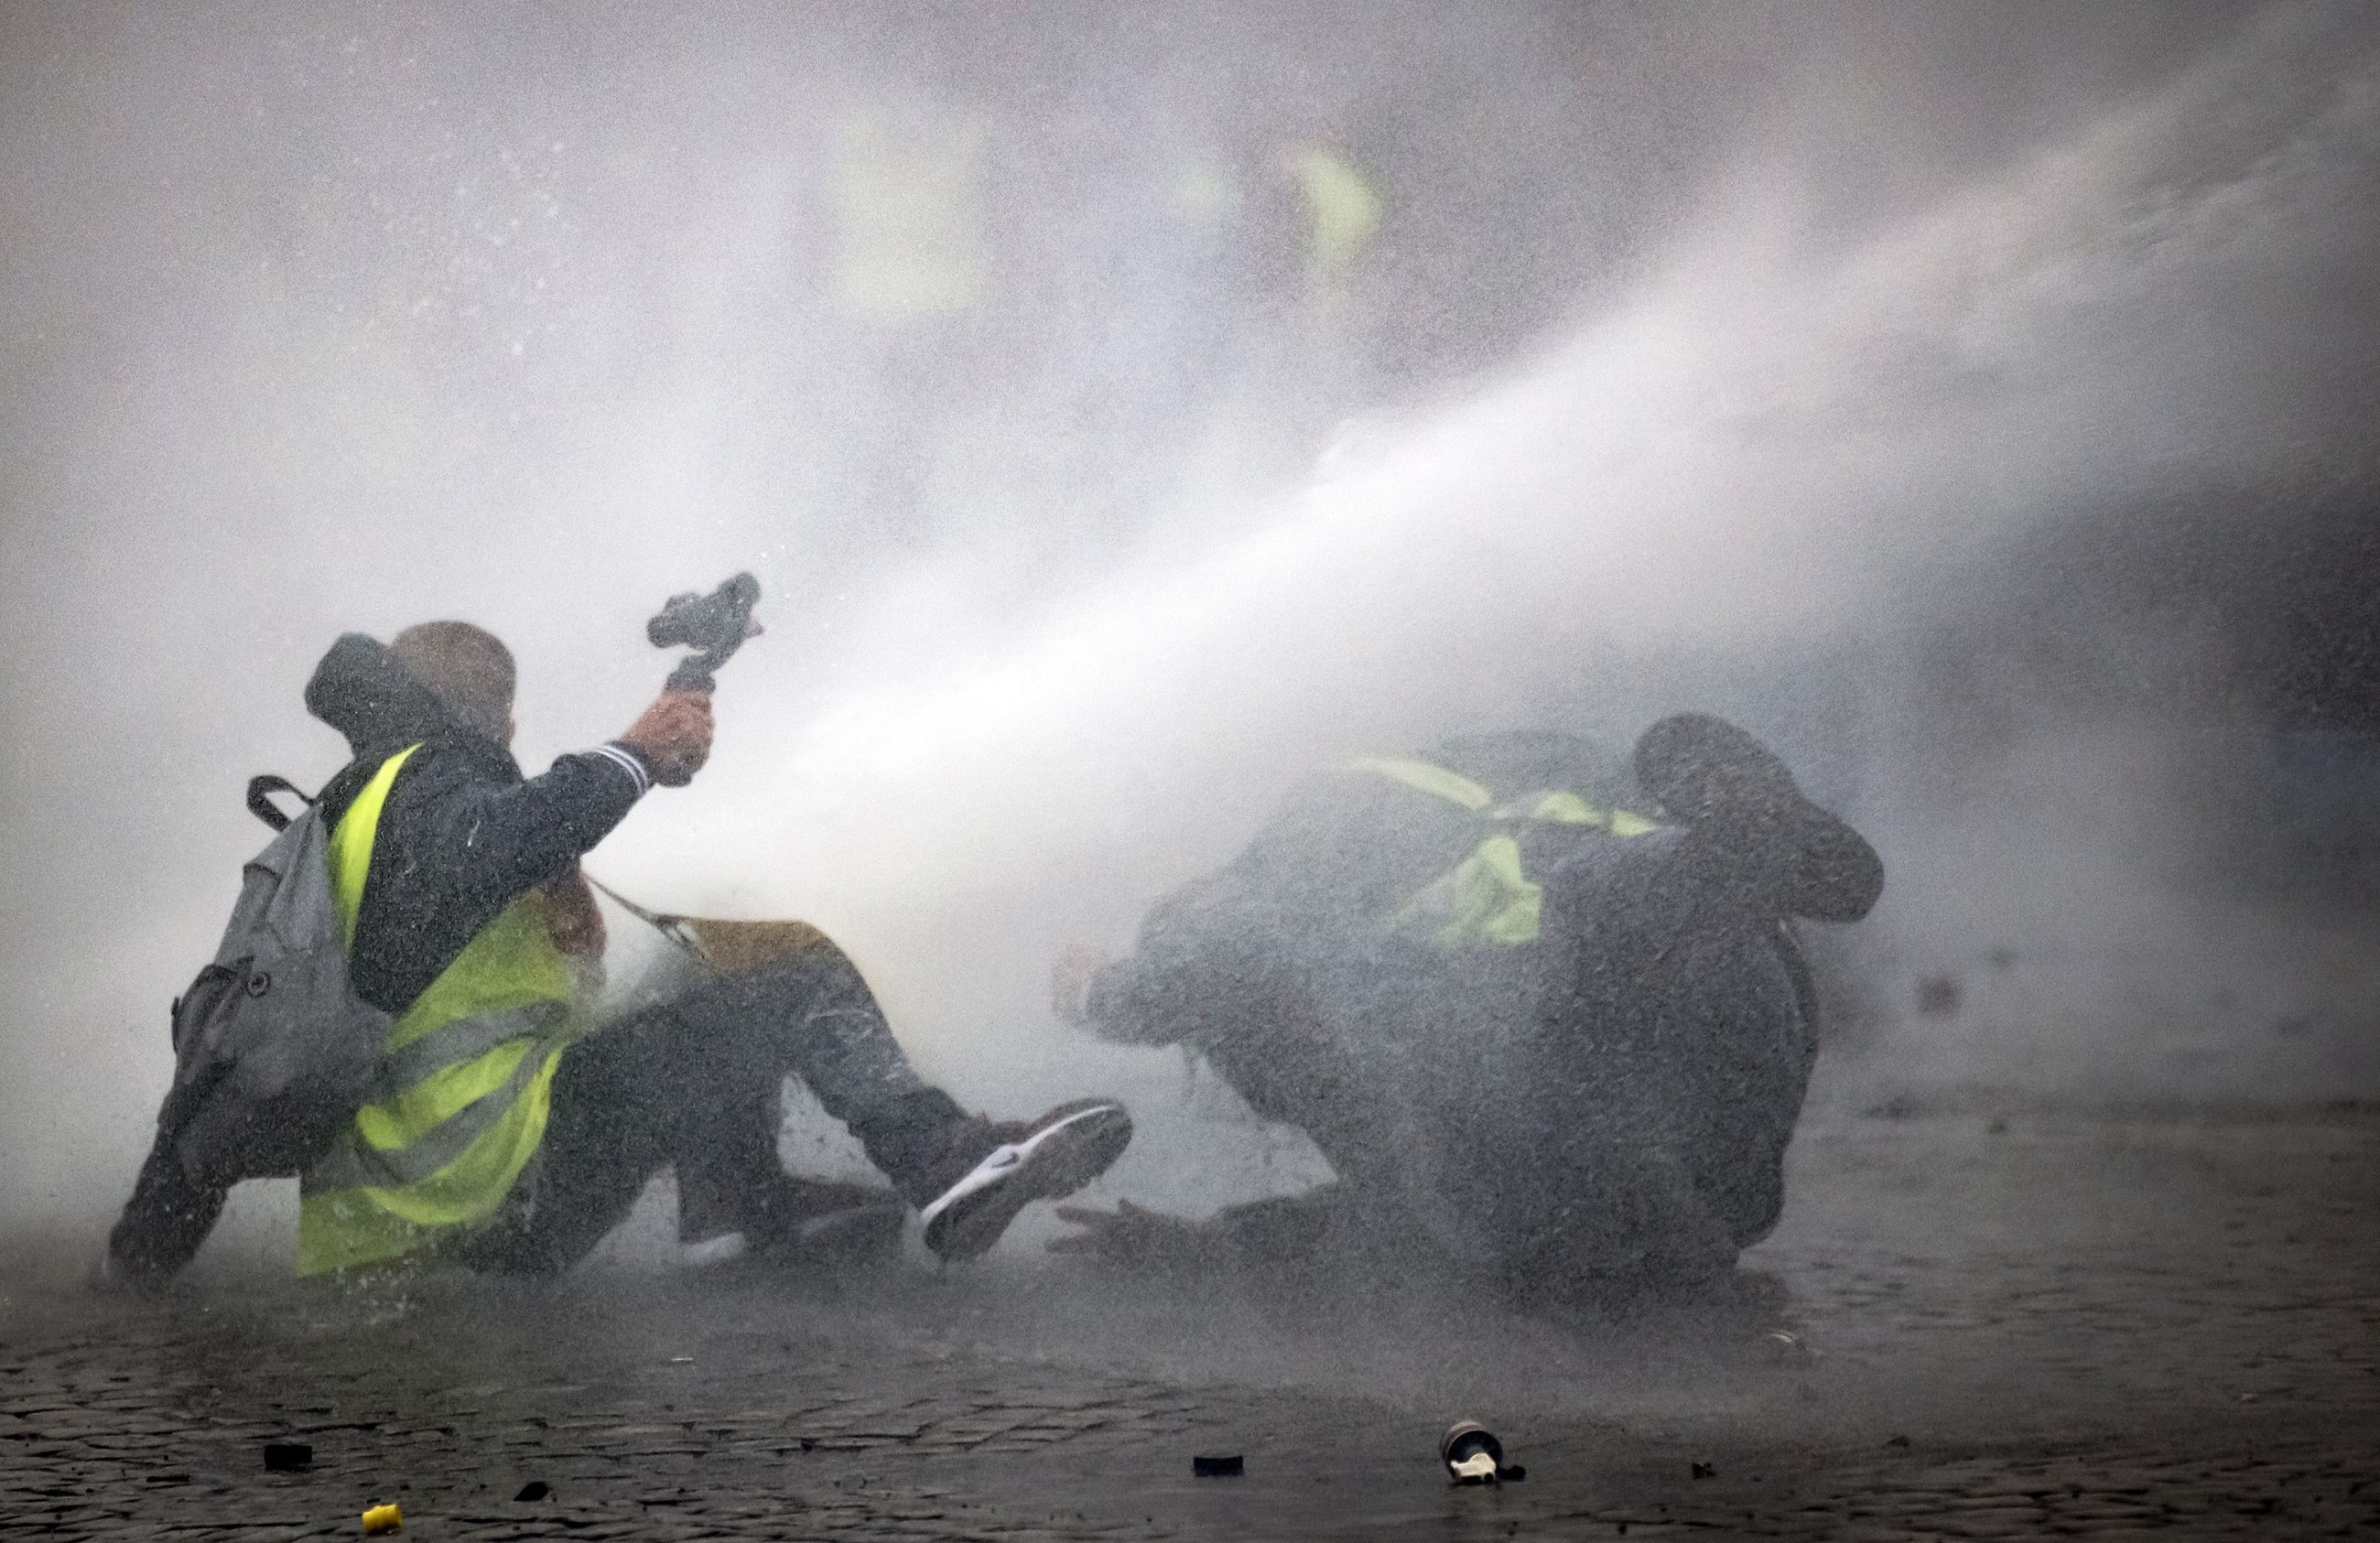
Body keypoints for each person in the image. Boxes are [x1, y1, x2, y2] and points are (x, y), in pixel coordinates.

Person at [106, 621, 1130, 1283]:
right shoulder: (436, 782)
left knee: (711, 949)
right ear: (498, 720)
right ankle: (940, 1159)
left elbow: (217, 1073)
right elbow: (502, 835)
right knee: (788, 968)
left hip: (420, 1221)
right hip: (491, 1197)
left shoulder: (343, 821)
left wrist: (136, 1267)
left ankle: (735, 1209)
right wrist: (637, 753)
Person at [1048, 716, 1880, 1307]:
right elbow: (1434, 1217)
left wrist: (1102, 995)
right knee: (1524, 1176)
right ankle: (1728, 840)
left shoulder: (1318, 844)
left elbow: (1228, 938)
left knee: (1581, 935)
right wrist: (1221, 1248)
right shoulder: (1477, 803)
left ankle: (1721, 851)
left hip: (1626, 1071)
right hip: (1722, 1122)